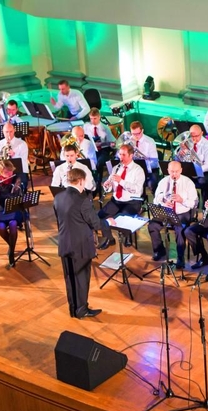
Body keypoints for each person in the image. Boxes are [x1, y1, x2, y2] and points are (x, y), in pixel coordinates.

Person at [55, 168, 103, 319]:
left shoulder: (58, 197)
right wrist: (108, 223)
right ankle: (82, 310)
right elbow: (95, 223)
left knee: (69, 278)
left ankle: (73, 309)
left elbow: (59, 220)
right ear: (81, 181)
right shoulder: (83, 200)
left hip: (64, 243)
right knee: (82, 279)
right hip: (81, 246)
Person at [148, 161, 198, 267]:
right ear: (168, 171)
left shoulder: (188, 183)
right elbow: (156, 199)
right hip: (166, 211)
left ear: (181, 170)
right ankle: (159, 250)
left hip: (182, 212)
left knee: (180, 229)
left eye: (176, 171)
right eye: (171, 171)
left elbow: (194, 203)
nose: (174, 174)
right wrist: (163, 201)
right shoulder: (163, 182)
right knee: (152, 226)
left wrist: (181, 200)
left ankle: (180, 257)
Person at [98, 144, 145, 246]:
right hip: (116, 200)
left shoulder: (138, 170)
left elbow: (137, 189)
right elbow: (111, 187)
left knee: (124, 218)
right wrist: (107, 186)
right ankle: (109, 238)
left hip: (132, 202)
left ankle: (127, 236)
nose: (121, 157)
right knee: (101, 216)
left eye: (124, 155)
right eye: (120, 154)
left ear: (131, 155)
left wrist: (121, 181)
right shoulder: (116, 168)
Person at [117, 121, 160, 190]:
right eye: (133, 134)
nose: (135, 136)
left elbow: (155, 162)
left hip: (148, 169)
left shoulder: (150, 141)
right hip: (132, 169)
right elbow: (118, 155)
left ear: (142, 131)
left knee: (152, 184)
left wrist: (144, 161)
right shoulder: (128, 141)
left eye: (138, 133)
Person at [180, 124, 208, 204]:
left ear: (202, 133)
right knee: (181, 178)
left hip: (205, 170)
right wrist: (182, 154)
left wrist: (195, 170)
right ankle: (187, 202)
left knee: (203, 182)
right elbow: (183, 160)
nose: (194, 138)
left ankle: (205, 204)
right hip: (192, 168)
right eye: (192, 136)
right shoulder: (188, 142)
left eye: (196, 136)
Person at [0, 122, 30, 191]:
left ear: (14, 130)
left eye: (11, 131)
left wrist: (14, 154)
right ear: (3, 132)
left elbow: (24, 160)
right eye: (6, 132)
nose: (9, 134)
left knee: (18, 187)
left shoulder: (22, 143)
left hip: (18, 171)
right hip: (4, 172)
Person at [84, 108, 117, 187]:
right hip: (91, 149)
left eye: (95, 118)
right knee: (87, 161)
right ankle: (90, 182)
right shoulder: (86, 126)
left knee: (99, 162)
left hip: (102, 150)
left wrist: (111, 145)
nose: (93, 121)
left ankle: (98, 182)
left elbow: (112, 141)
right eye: (91, 118)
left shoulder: (105, 128)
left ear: (99, 117)